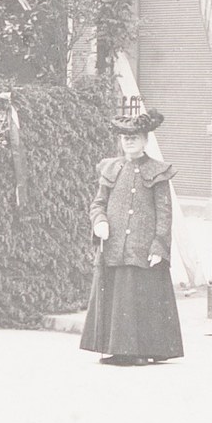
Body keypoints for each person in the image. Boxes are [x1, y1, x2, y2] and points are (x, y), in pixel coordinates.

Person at [82, 105, 183, 367]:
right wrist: (99, 221)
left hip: (143, 248)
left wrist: (159, 247)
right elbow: (98, 204)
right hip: (114, 247)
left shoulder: (158, 171)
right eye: (125, 138)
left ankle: (141, 351)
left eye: (134, 138)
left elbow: (164, 213)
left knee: (141, 297)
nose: (129, 142)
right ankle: (117, 350)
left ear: (145, 140)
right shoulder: (111, 168)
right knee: (118, 298)